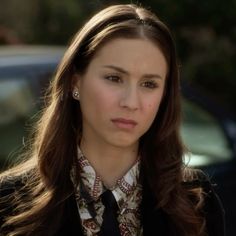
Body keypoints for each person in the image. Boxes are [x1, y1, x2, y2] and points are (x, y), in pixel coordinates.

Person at [0, 4, 225, 236]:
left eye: (149, 84)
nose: (131, 102)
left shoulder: (196, 201)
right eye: (114, 78)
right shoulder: (8, 201)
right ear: (75, 82)